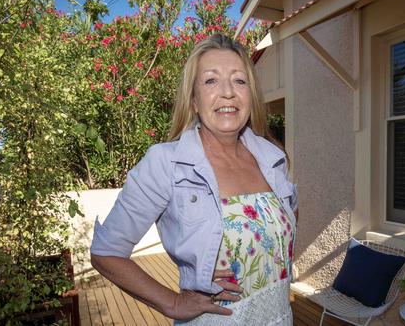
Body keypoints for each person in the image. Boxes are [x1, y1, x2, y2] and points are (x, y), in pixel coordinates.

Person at [90, 34, 298, 325]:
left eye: (240, 80)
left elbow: (286, 221)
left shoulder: (273, 159)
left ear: (251, 95)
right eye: (211, 81)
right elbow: (106, 252)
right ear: (194, 100)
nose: (228, 92)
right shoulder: (166, 163)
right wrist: (173, 302)